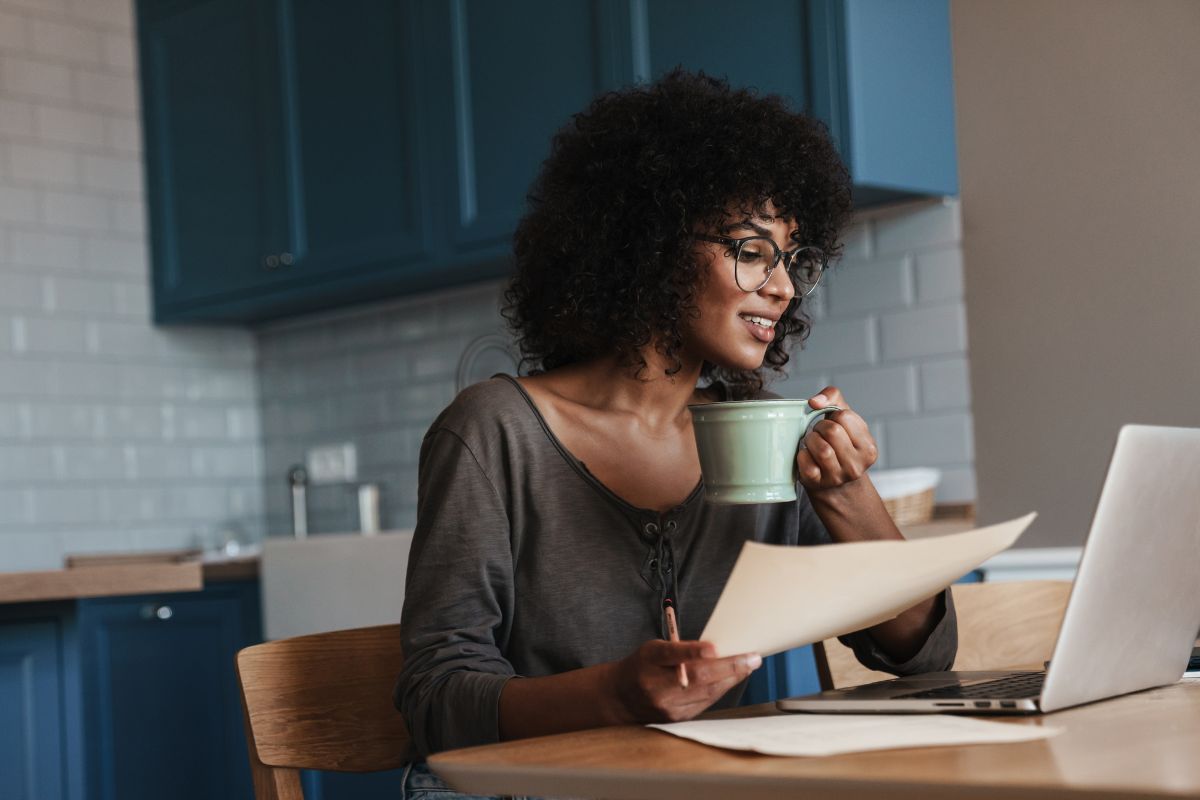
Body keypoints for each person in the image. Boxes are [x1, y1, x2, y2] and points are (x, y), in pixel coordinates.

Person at [394, 70, 956, 796]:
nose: (783, 287)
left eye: (792, 259)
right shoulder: (494, 433)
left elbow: (920, 652)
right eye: (752, 251)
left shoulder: (767, 432)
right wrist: (616, 697)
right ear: (651, 243)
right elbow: (436, 699)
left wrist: (848, 495)